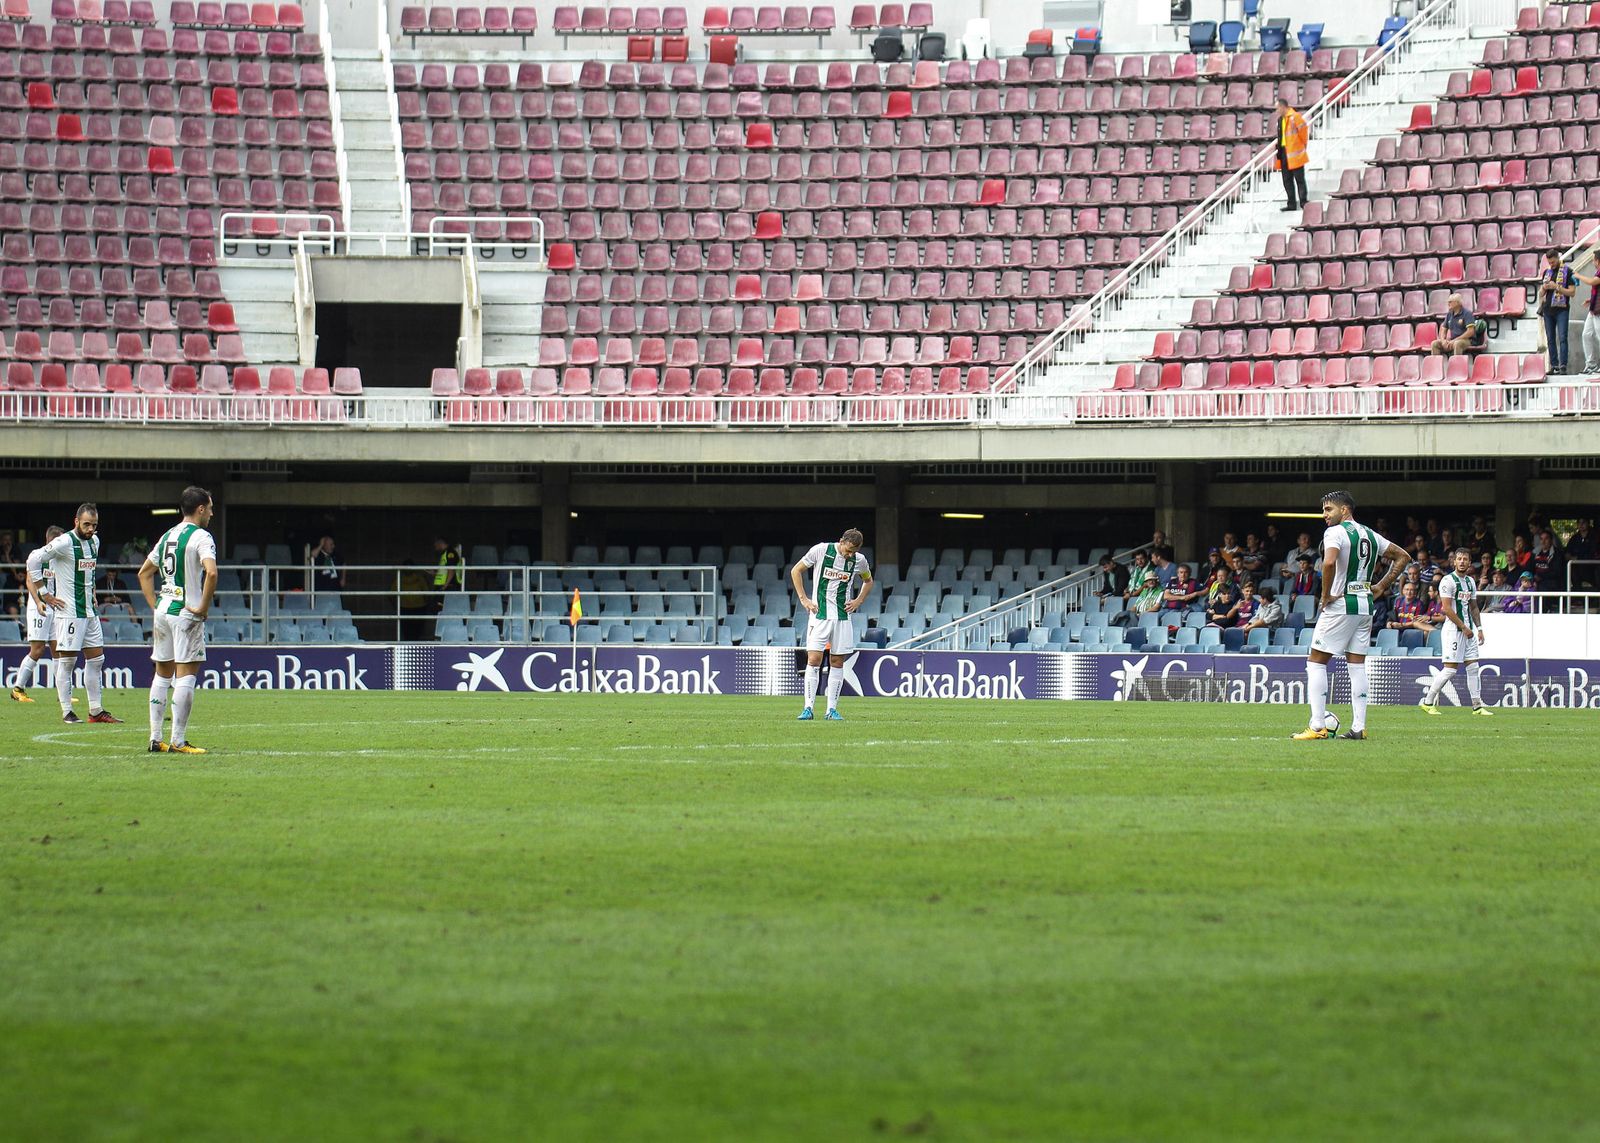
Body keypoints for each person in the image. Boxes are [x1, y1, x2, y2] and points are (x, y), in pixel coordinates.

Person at [1294, 490, 1409, 742]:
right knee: (1356, 666)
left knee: (1316, 662)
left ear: (1344, 510)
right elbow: (1403, 557)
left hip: (1340, 605)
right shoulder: (1370, 534)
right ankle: (1359, 727)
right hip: (1365, 605)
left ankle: (1317, 725)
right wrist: (1381, 585)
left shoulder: (1334, 532)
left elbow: (1328, 563)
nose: (1324, 515)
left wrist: (1325, 595)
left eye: (1328, 510)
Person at [24, 503, 122, 724]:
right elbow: (33, 560)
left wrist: (93, 593)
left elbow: (90, 571)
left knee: (97, 660)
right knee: (67, 663)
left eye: (94, 525)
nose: (90, 529)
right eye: (86, 524)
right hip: (69, 612)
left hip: (89, 611)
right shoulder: (64, 542)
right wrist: (44, 594)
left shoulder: (95, 541)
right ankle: (67, 711)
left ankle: (96, 711)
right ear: (76, 521)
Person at [138, 487, 218, 754]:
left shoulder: (168, 535)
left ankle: (155, 738)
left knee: (162, 675)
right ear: (200, 509)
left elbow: (144, 573)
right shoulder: (202, 536)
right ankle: (179, 741)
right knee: (186, 676)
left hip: (164, 611)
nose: (212, 513)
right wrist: (203, 607)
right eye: (210, 508)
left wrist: (154, 606)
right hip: (186, 614)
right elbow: (212, 572)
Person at [791, 528, 873, 721]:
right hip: (819, 616)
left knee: (837, 662)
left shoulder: (859, 560)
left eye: (854, 551)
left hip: (843, 617)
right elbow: (796, 570)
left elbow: (868, 581)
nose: (850, 554)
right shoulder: (821, 550)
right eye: (849, 550)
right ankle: (808, 708)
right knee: (814, 660)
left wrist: (858, 601)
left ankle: (831, 710)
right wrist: (804, 599)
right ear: (841, 541)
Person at [1422, 548, 1492, 716]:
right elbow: (1446, 609)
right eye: (1459, 559)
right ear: (1454, 561)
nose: (1462, 561)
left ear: (1469, 562)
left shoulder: (1470, 581)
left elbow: (1474, 607)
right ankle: (1428, 701)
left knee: (1474, 667)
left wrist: (1480, 628)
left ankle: (1477, 706)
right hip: (1454, 630)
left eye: (1465, 559)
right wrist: (1463, 627)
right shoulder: (1448, 581)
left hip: (1469, 630)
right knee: (1450, 669)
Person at [10, 524, 64, 703]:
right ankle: (18, 689)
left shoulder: (59, 559)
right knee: (37, 650)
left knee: (58, 649)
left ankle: (62, 694)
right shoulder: (37, 556)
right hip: (38, 608)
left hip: (54, 608)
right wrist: (39, 601)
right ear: (53, 541)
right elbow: (29, 580)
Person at [1537, 248, 1577, 374]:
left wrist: (1557, 287)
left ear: (1558, 258)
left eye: (1553, 262)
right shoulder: (1546, 272)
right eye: (1550, 263)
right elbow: (1541, 294)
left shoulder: (1568, 271)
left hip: (1562, 310)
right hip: (1548, 309)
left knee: (1562, 337)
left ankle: (1563, 365)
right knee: (1550, 339)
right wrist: (1544, 288)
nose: (1551, 265)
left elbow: (1572, 292)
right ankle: (1554, 365)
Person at [1274, 96, 1310, 212]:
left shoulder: (1295, 117)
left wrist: (1303, 147)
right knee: (1287, 180)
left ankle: (1303, 201)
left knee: (1299, 179)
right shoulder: (1281, 120)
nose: (1277, 111)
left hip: (1295, 153)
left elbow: (1304, 132)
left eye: (1277, 108)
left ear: (1283, 107)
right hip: (1284, 152)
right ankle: (1291, 203)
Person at [1573, 246, 1600, 374]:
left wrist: (1578, 275)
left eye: (1593, 260)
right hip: (1594, 307)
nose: (1593, 262)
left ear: (1598, 260)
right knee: (1586, 335)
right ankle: (1591, 365)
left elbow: (1592, 282)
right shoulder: (1597, 271)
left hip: (1599, 310)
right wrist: (1590, 299)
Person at [431, 537, 462, 613]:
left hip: (449, 587)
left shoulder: (450, 553)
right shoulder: (445, 553)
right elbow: (444, 571)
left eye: (435, 545)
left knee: (445, 611)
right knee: (438, 610)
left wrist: (445, 585)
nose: (435, 548)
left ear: (440, 543)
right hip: (443, 587)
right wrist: (435, 573)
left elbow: (451, 571)